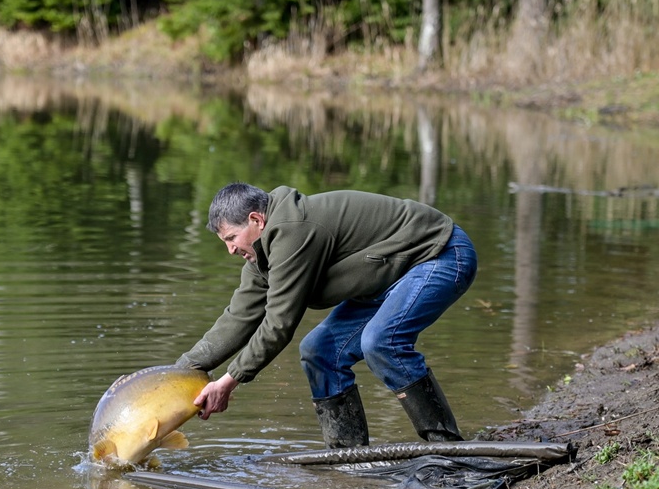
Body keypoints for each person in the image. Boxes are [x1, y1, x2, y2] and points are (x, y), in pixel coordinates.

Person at [174, 183, 478, 447]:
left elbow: (279, 323)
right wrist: (177, 373)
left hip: (441, 254)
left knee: (380, 342)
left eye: (231, 238)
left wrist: (229, 381)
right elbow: (238, 318)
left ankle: (446, 449)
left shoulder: (293, 230)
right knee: (319, 351)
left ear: (256, 219)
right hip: (390, 276)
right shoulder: (261, 257)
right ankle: (347, 458)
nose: (230, 250)